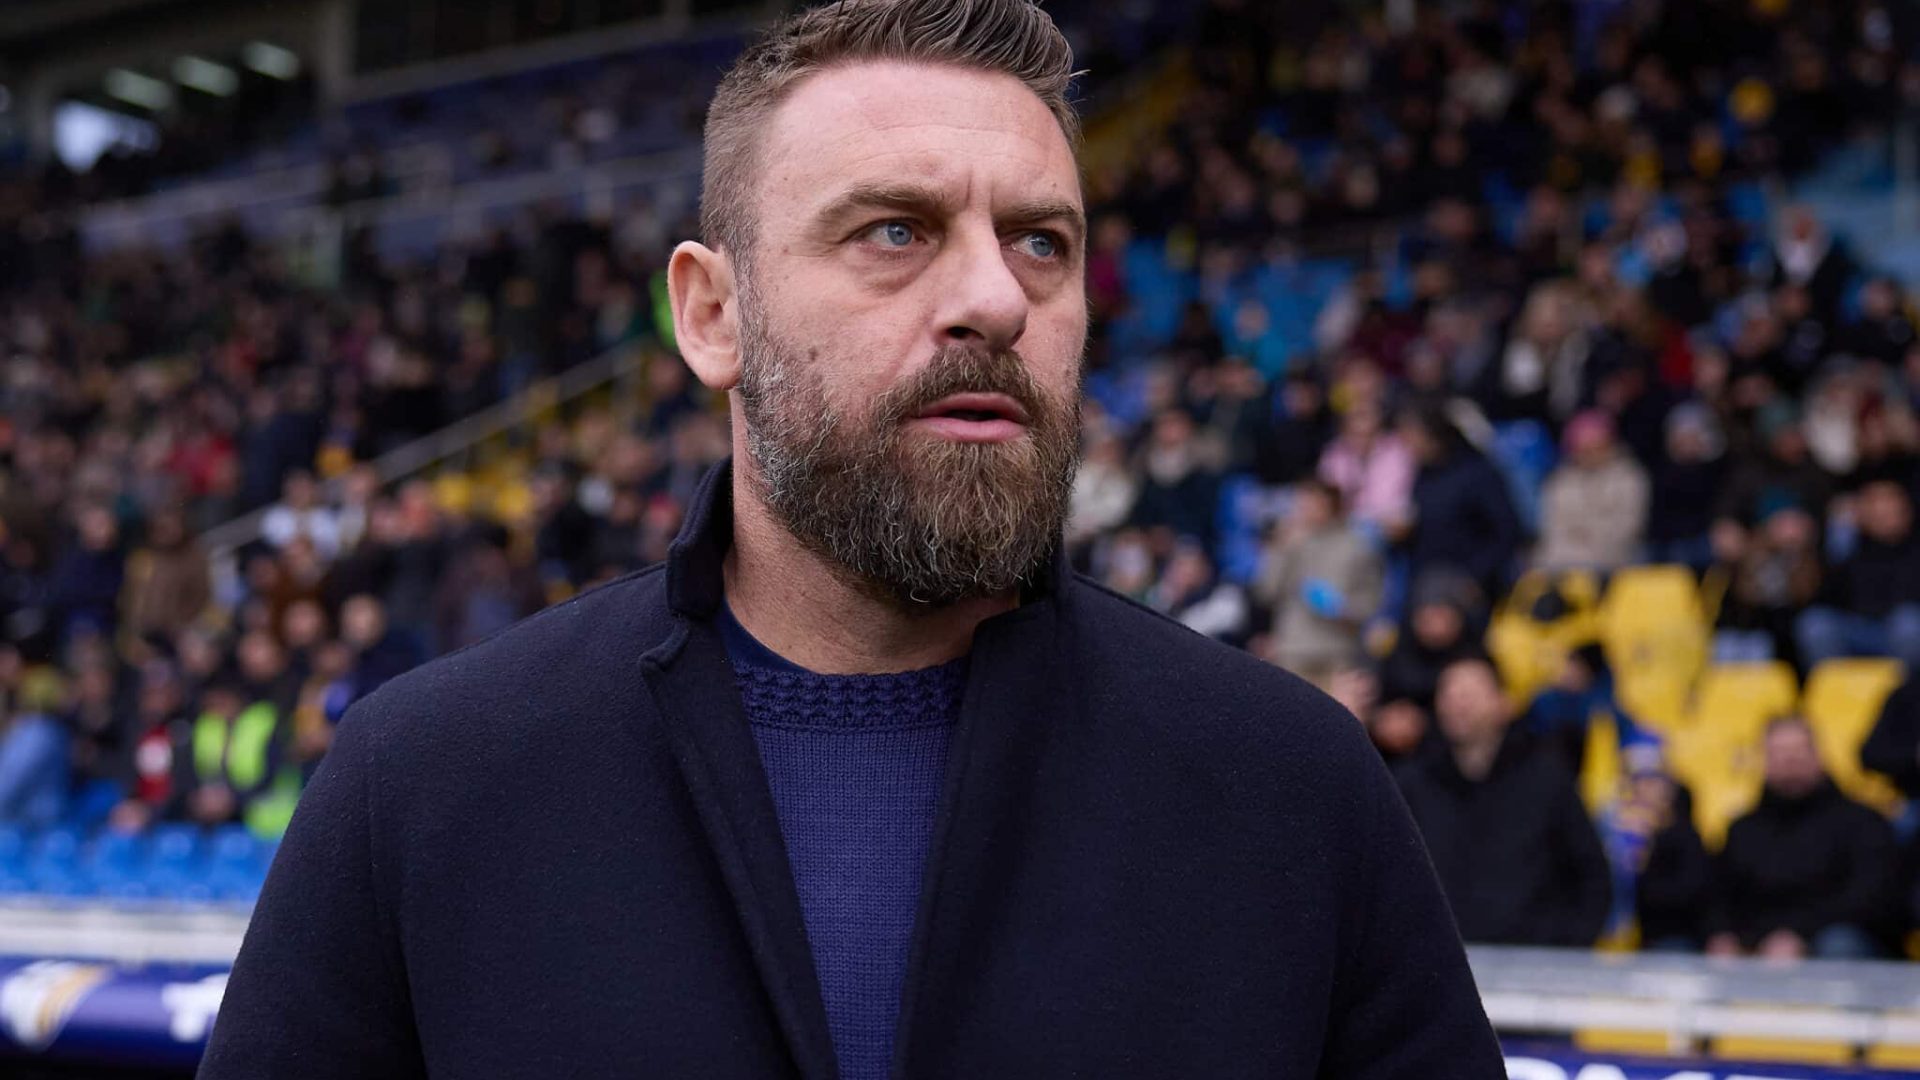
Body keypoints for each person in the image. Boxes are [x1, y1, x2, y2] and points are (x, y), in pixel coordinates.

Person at [202, 3, 1502, 1075]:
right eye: (897, 231)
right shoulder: (423, 786)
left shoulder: (1293, 789)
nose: (997, 296)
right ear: (712, 314)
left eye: (1042, 241)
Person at [1394, 655, 1612, 947]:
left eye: (1470, 694)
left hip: (1531, 971)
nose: (1458, 704)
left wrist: (1564, 944)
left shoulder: (1545, 779)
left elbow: (1592, 874)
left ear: (1503, 704)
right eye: (1449, 694)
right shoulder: (1410, 784)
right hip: (1437, 972)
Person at [1708, 716, 1898, 960]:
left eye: (1799, 751)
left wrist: (1799, 935)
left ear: (1819, 756)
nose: (1790, 761)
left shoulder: (1863, 822)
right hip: (1758, 946)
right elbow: (1718, 897)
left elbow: (1870, 899)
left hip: (1834, 944)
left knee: (1840, 943)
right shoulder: (1742, 830)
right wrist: (1724, 935)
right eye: (1779, 752)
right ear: (1763, 761)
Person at [1254, 479, 1384, 689]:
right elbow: (1267, 592)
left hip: (1338, 652)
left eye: (1315, 502)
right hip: (1293, 651)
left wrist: (1344, 610)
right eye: (1303, 503)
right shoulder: (1287, 541)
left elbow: (1371, 602)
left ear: (1332, 504)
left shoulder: (1358, 547)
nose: (1306, 509)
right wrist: (1281, 549)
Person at [1795, 479, 1920, 668]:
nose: (1882, 516)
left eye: (1889, 511)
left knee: (1908, 623)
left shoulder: (1914, 549)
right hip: (1855, 629)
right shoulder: (1847, 547)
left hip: (1898, 633)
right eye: (1875, 509)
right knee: (1815, 624)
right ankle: (1835, 691)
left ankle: (1907, 694)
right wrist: (1836, 544)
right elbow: (1821, 597)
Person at [1534, 410, 1650, 574]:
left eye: (1596, 448)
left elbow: (1629, 525)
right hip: (1564, 555)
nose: (1589, 455)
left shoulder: (1629, 478)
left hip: (1616, 555)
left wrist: (1588, 535)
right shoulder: (1559, 481)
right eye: (1583, 449)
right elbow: (1551, 525)